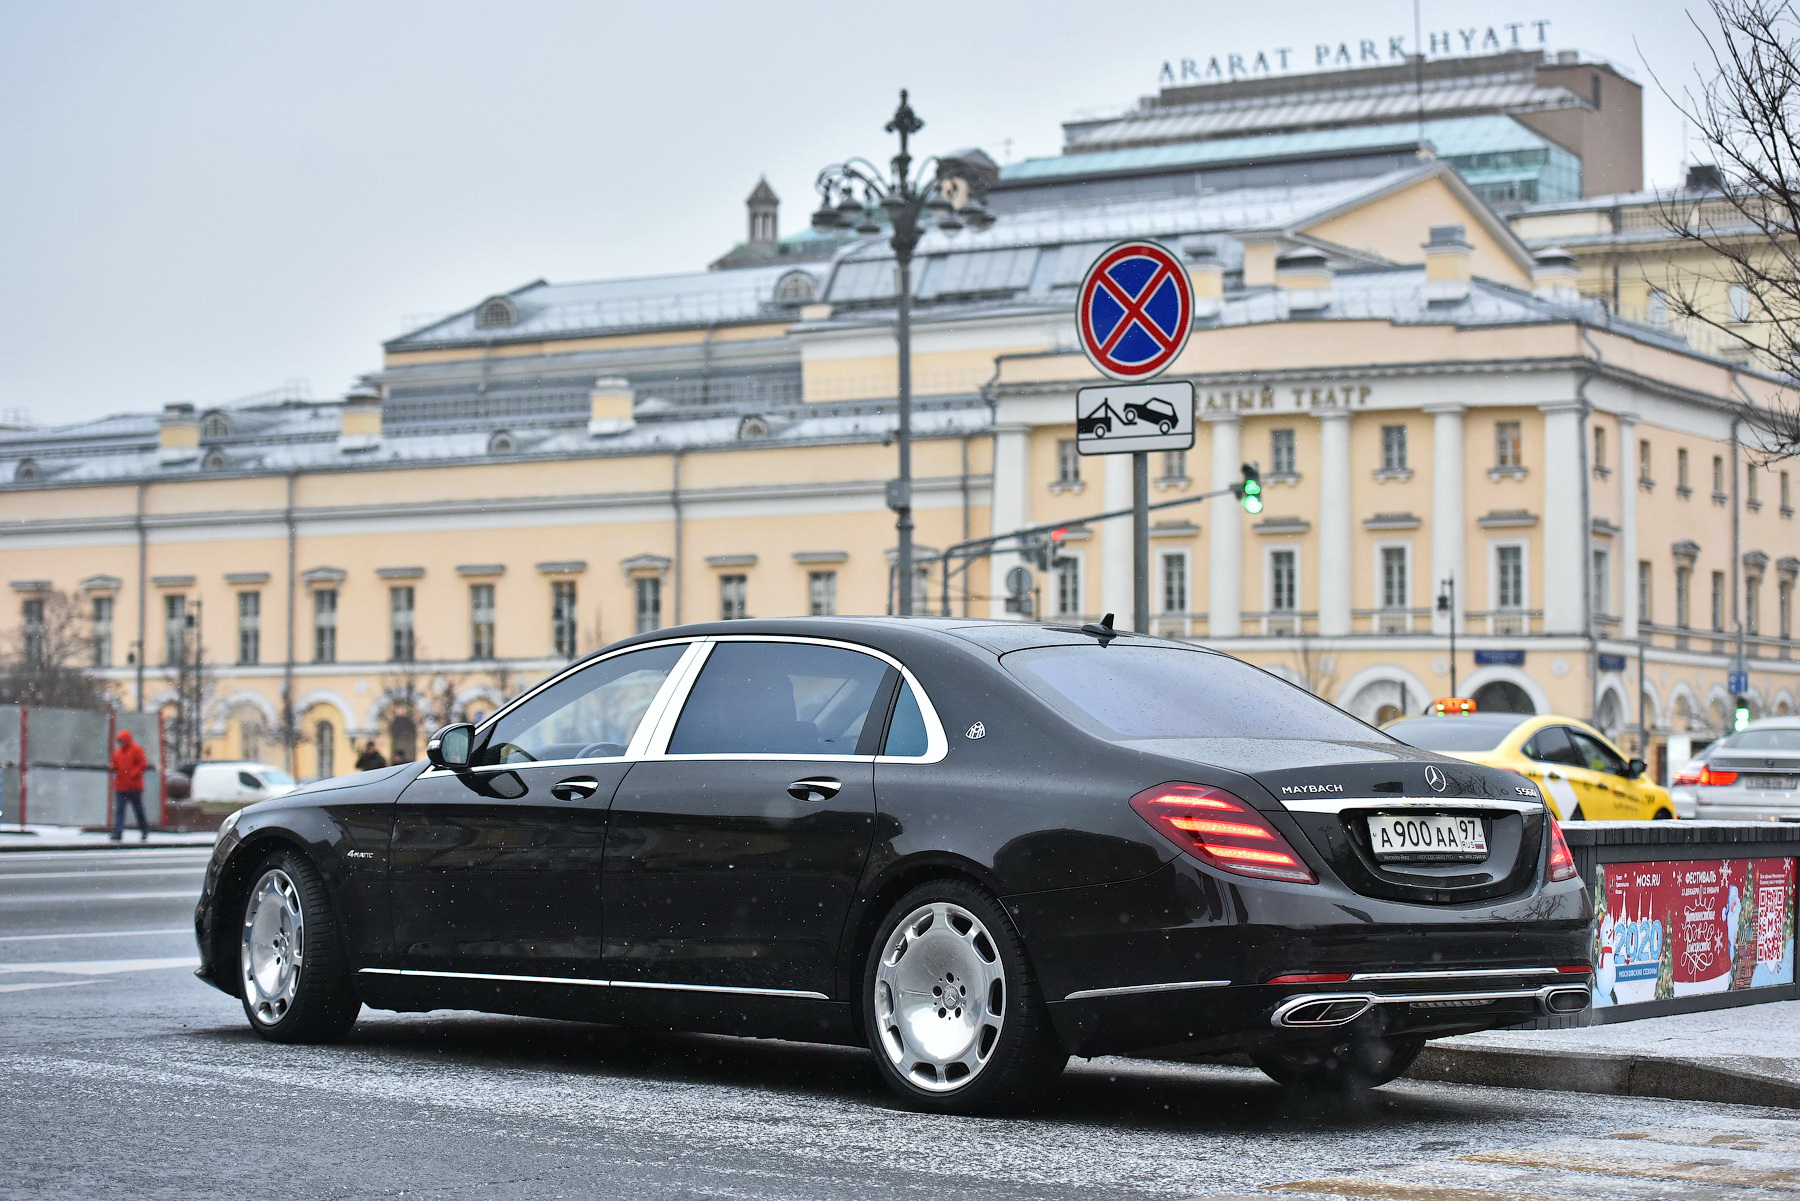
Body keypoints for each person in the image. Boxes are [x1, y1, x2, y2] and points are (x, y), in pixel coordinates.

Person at [110, 730, 149, 843]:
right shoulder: (118, 752)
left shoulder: (136, 749)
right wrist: (112, 767)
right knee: (120, 810)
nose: (121, 743)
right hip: (121, 786)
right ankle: (118, 832)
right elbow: (115, 765)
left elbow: (143, 764)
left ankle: (144, 830)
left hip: (134, 786)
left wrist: (133, 774)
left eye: (122, 740)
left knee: (138, 810)